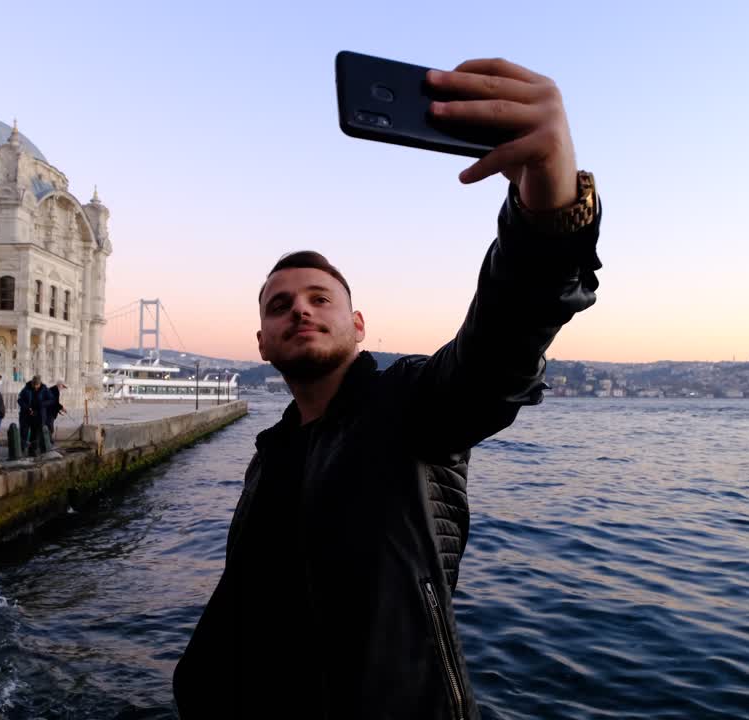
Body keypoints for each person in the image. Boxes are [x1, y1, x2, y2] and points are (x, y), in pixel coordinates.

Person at [173, 58, 602, 718]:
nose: (300, 309)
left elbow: (499, 351)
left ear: (359, 326)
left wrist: (547, 211)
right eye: (280, 305)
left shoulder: (409, 408)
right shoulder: (270, 455)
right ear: (261, 343)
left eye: (320, 298)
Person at [17, 374, 47, 453]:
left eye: (37, 385)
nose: (36, 386)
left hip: (36, 415)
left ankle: (32, 450)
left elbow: (50, 400)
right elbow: (20, 400)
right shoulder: (26, 389)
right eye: (35, 385)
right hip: (26, 415)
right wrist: (27, 408)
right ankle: (22, 450)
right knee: (24, 433)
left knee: (35, 434)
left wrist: (41, 406)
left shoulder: (44, 389)